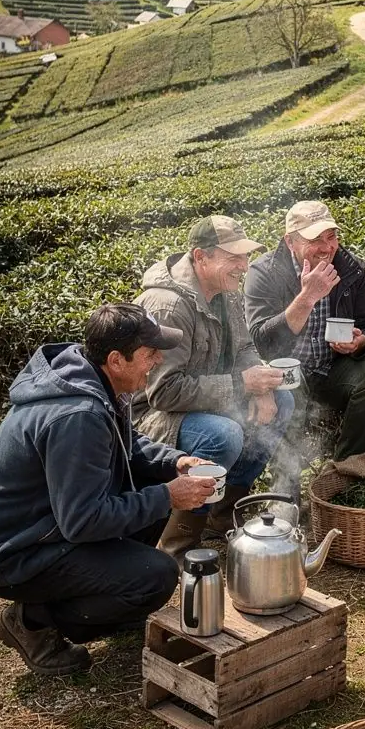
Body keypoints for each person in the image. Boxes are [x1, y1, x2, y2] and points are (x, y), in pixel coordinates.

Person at [0, 304, 215, 676]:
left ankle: (113, 596)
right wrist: (169, 496)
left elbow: (127, 447)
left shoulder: (94, 380)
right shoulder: (77, 416)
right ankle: (32, 621)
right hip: (14, 552)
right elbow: (82, 522)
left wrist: (174, 462)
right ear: (116, 359)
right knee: (157, 575)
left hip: (46, 526)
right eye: (150, 353)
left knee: (155, 490)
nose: (158, 359)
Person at [133, 215, 295, 558]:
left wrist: (261, 387)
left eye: (245, 257)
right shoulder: (169, 306)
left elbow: (246, 348)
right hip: (155, 417)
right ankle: (178, 541)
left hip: (207, 402)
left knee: (284, 401)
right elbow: (162, 392)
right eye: (233, 257)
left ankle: (221, 517)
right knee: (223, 435)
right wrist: (241, 385)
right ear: (200, 257)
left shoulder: (226, 293)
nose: (243, 266)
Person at [243, 200, 365, 460]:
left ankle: (347, 468)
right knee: (287, 393)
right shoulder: (264, 272)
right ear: (290, 242)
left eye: (331, 236)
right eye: (315, 239)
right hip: (288, 370)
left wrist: (359, 342)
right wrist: (307, 298)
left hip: (333, 367)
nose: (327, 247)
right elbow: (261, 342)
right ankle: (286, 489)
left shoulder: (353, 268)